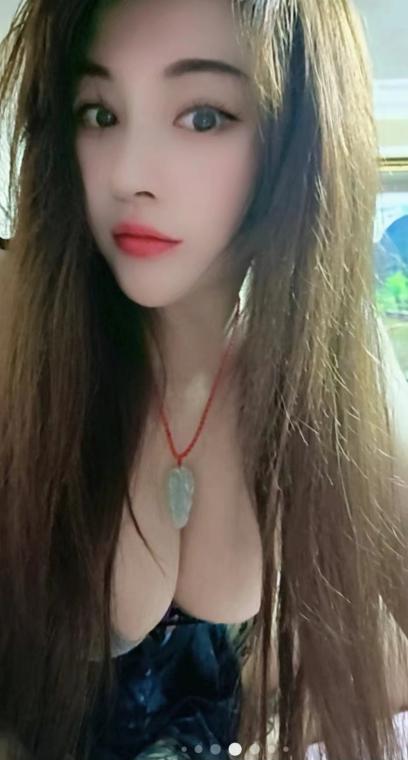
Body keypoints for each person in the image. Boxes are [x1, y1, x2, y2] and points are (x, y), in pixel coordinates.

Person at [0, 0, 407, 759]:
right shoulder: (22, 341)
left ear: (295, 137)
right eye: (100, 113)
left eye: (203, 117)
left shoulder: (328, 374)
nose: (128, 175)